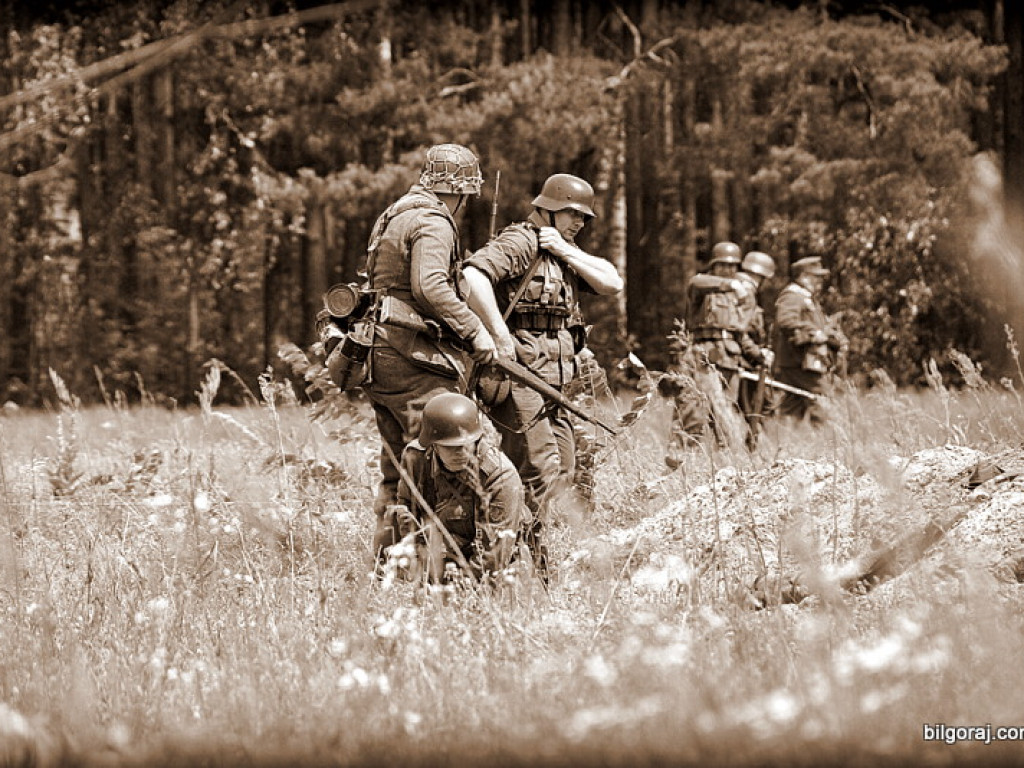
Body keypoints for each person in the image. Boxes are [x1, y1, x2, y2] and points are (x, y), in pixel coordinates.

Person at [461, 173, 624, 575]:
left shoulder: (563, 251)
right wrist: (499, 335)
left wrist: (567, 251)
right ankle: (503, 563)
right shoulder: (520, 241)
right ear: (548, 208)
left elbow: (612, 283)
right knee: (538, 467)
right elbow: (471, 276)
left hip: (555, 382)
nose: (579, 224)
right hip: (518, 378)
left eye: (584, 218)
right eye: (572, 214)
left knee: (562, 469)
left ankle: (524, 549)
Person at [359, 144, 499, 563]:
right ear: (458, 192)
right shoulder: (433, 221)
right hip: (415, 361)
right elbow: (430, 286)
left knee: (397, 468)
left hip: (379, 358)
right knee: (444, 456)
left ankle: (388, 565)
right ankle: (440, 566)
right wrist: (476, 331)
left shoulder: (395, 214)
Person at [389, 392, 526, 581]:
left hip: (491, 568)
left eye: (467, 445)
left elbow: (494, 556)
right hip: (438, 555)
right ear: (433, 445)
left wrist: (455, 589)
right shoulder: (416, 458)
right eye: (451, 447)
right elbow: (406, 506)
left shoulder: (500, 476)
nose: (461, 452)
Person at [666, 242, 768, 458]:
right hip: (703, 358)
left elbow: (739, 333)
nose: (729, 270)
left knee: (725, 415)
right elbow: (695, 282)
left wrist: (759, 355)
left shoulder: (735, 299)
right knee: (694, 412)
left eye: (733, 266)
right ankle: (683, 458)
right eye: (723, 265)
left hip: (729, 361)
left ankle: (727, 462)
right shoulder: (704, 289)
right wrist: (730, 285)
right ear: (714, 265)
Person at [772, 256, 848, 423]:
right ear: (804, 276)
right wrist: (815, 333)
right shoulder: (792, 296)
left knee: (791, 410)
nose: (820, 281)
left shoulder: (806, 297)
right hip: (799, 362)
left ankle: (780, 444)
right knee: (823, 403)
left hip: (800, 361)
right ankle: (831, 443)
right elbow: (785, 321)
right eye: (817, 277)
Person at [734, 250, 777, 441]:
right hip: (744, 361)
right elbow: (739, 331)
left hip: (741, 358)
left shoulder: (735, 287)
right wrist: (758, 353)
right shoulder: (747, 293)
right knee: (755, 411)